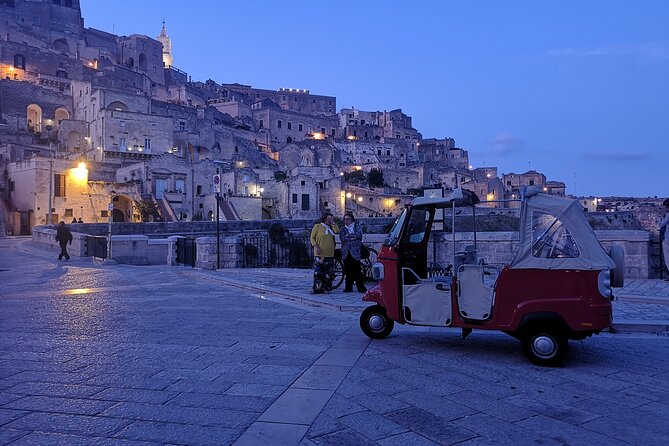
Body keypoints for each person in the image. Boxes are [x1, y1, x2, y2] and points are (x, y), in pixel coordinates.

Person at [310, 212, 339, 293]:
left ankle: (326, 288)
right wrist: (315, 246)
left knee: (328, 272)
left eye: (331, 218)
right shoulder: (317, 226)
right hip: (319, 253)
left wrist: (333, 223)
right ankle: (317, 288)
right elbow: (312, 238)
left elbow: (337, 231)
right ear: (325, 218)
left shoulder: (331, 227)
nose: (331, 219)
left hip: (330, 253)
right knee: (318, 272)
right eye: (329, 218)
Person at [339, 213, 367, 293]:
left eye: (348, 219)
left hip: (355, 252)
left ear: (352, 220)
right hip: (346, 252)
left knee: (357, 270)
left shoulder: (357, 227)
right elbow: (342, 238)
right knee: (348, 271)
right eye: (345, 219)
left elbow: (359, 235)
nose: (346, 221)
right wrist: (353, 238)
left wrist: (349, 236)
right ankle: (348, 287)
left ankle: (361, 288)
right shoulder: (342, 229)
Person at [659, 198, 669, 280]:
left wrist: (662, 216)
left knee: (667, 258)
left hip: (667, 239)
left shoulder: (668, 215)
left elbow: (661, 224)